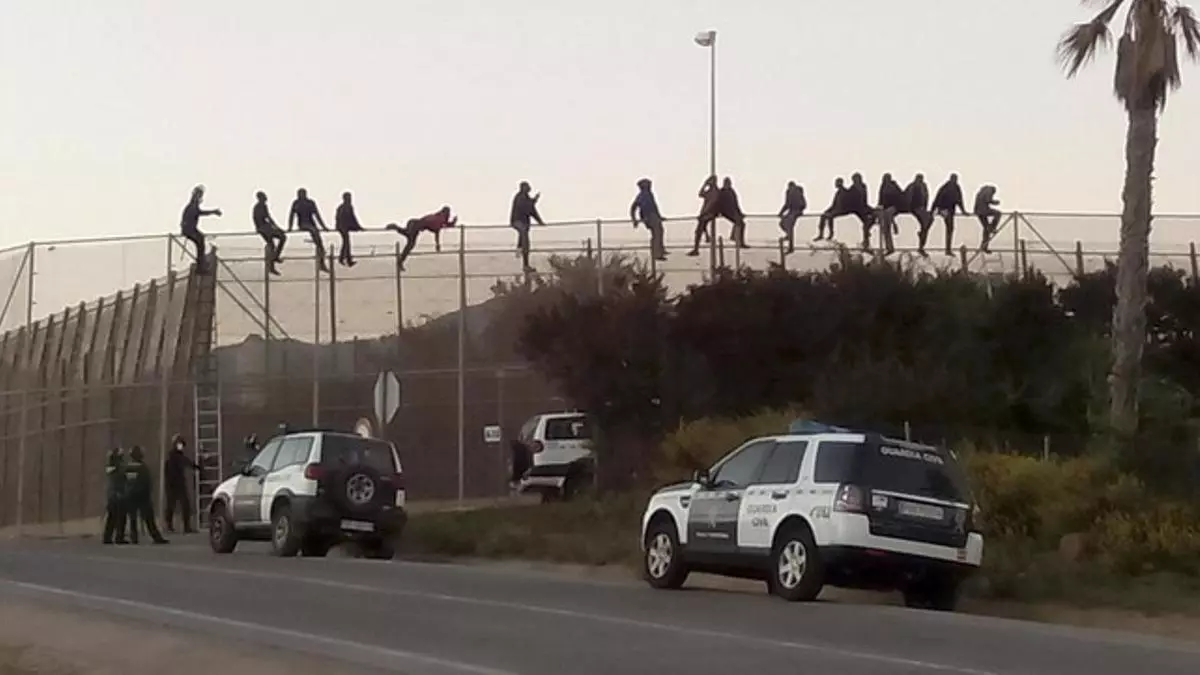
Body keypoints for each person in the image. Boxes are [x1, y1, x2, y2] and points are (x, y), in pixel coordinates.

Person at [387, 206, 458, 271]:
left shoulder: (437, 217)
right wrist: (437, 244)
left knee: (409, 241)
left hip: (413, 223)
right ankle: (400, 262)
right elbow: (438, 230)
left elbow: (443, 226)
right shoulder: (439, 219)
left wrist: (452, 222)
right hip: (414, 226)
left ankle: (400, 261)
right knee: (410, 243)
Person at [123, 445, 168, 545]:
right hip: (142, 496)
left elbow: (125, 481)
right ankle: (156, 537)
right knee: (149, 518)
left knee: (133, 519)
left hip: (130, 496)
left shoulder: (127, 467)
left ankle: (134, 538)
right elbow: (147, 482)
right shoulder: (143, 468)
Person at [179, 185, 222, 274]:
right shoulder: (193, 205)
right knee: (200, 242)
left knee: (201, 241)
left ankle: (201, 264)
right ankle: (201, 266)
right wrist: (213, 212)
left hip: (190, 229)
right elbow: (199, 213)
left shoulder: (192, 204)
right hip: (189, 229)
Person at [163, 433, 200, 534]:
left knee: (185, 504)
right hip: (172, 484)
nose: (180, 446)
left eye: (181, 444)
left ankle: (186, 526)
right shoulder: (172, 455)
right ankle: (169, 525)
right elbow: (185, 462)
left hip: (179, 483)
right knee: (171, 505)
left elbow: (186, 462)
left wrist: (195, 466)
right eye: (179, 444)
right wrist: (195, 466)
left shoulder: (179, 455)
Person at [288, 188, 331, 273]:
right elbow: (291, 216)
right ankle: (321, 262)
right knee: (316, 235)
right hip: (303, 224)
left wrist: (323, 226)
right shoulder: (296, 203)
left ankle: (321, 262)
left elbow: (317, 215)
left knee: (319, 243)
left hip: (312, 224)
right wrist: (290, 227)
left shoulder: (310, 203)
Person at [509, 182, 545, 274]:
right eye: (527, 186)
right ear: (523, 188)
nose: (529, 188)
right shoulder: (519, 197)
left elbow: (531, 209)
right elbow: (528, 208)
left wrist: (540, 221)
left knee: (524, 235)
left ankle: (521, 252)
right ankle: (522, 255)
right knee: (523, 232)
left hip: (523, 223)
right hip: (517, 221)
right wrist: (534, 201)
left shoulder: (526, 197)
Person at [629, 178, 667, 261]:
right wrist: (634, 220)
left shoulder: (649, 194)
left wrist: (659, 216)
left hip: (653, 216)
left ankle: (660, 250)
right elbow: (633, 207)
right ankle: (656, 253)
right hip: (648, 217)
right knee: (657, 233)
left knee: (660, 231)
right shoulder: (643, 195)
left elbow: (654, 207)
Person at [931, 173, 968, 256]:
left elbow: (959, 200)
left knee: (950, 228)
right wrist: (963, 211)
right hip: (945, 210)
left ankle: (948, 249)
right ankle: (948, 249)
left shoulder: (949, 187)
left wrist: (963, 211)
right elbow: (959, 200)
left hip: (946, 210)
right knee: (950, 227)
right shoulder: (950, 187)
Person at [252, 191, 286, 275]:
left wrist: (276, 228)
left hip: (266, 227)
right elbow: (262, 219)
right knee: (272, 244)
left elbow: (268, 218)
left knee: (282, 238)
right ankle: (272, 265)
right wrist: (275, 228)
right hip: (263, 228)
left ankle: (275, 257)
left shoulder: (263, 206)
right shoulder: (257, 207)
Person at [902, 174, 934, 257]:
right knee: (927, 221)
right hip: (915, 208)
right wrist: (907, 207)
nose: (920, 180)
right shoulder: (912, 186)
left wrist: (925, 207)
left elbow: (926, 197)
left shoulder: (923, 186)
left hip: (921, 208)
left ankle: (922, 237)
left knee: (928, 221)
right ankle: (921, 243)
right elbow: (906, 197)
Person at [688, 175, 720, 256]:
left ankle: (697, 248)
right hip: (706, 213)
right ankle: (706, 237)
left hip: (710, 213)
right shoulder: (709, 191)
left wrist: (704, 213)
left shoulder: (715, 191)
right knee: (700, 228)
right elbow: (700, 194)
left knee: (699, 229)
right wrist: (704, 185)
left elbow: (712, 203)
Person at [102, 447, 128, 545]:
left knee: (111, 517)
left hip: (111, 495)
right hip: (119, 495)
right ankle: (119, 537)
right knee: (121, 517)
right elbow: (122, 478)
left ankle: (107, 537)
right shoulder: (119, 467)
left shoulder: (110, 467)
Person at [876, 173, 904, 256]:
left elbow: (899, 198)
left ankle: (889, 247)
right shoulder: (883, 186)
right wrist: (880, 206)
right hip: (885, 209)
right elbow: (880, 199)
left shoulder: (893, 186)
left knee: (887, 225)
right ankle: (888, 247)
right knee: (885, 227)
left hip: (892, 208)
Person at [334, 191, 364, 267]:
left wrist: (357, 226)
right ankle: (345, 259)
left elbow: (352, 217)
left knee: (346, 242)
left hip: (345, 226)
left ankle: (345, 259)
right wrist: (357, 226)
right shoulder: (344, 207)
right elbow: (349, 218)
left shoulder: (348, 206)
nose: (350, 199)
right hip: (342, 226)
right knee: (346, 242)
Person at [717, 177, 749, 249]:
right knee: (739, 222)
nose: (728, 184)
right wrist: (719, 211)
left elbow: (736, 203)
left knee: (741, 223)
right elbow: (718, 203)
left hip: (733, 211)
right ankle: (738, 240)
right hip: (725, 211)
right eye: (727, 183)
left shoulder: (732, 191)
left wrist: (740, 213)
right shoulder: (721, 192)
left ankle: (736, 238)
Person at [777, 181, 807, 255]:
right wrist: (781, 212)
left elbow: (787, 204)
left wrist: (781, 212)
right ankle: (788, 236)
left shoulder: (792, 191)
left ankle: (790, 246)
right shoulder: (797, 190)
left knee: (788, 226)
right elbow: (788, 204)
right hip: (793, 210)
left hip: (796, 210)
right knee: (782, 223)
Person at [816, 177, 848, 241]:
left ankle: (831, 233)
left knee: (830, 216)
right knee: (823, 216)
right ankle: (821, 234)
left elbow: (844, 203)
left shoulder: (844, 192)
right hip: (836, 209)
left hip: (842, 210)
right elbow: (833, 204)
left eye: (836, 183)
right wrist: (827, 210)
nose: (835, 184)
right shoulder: (838, 192)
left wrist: (835, 210)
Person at [974, 185, 1002, 253]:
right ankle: (992, 227)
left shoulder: (980, 192)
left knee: (986, 229)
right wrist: (995, 202)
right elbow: (988, 200)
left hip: (978, 212)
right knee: (998, 213)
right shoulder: (989, 190)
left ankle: (984, 246)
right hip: (984, 210)